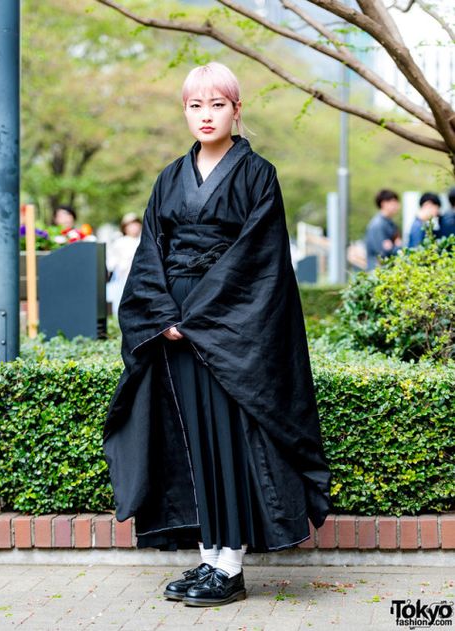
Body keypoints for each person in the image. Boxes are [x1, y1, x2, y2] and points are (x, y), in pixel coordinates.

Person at [103, 62, 332, 608]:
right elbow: (149, 256)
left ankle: (230, 565)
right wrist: (163, 316)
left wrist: (200, 319)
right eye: (195, 105)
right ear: (185, 110)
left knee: (229, 439)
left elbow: (261, 259)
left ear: (236, 109)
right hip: (175, 327)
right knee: (192, 440)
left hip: (229, 330)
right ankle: (209, 555)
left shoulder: (257, 175)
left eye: (217, 104)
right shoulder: (168, 178)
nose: (205, 115)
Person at [106, 213, 143, 316]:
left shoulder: (143, 240)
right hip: (122, 280)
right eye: (130, 225)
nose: (134, 227)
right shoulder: (119, 242)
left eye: (135, 224)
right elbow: (111, 264)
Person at [364, 189, 402, 271]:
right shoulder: (378, 224)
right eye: (393, 202)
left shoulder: (390, 222)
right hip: (377, 270)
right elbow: (382, 252)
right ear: (383, 203)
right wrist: (397, 246)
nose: (396, 206)